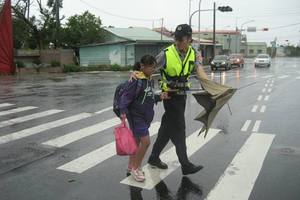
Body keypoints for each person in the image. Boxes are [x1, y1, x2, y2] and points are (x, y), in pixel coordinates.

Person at [145, 24, 208, 175]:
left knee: (167, 128)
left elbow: (199, 71)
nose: (178, 42)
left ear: (189, 39)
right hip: (169, 96)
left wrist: (210, 86)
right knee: (179, 128)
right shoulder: (166, 54)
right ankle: (185, 164)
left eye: (181, 39)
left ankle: (153, 157)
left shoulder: (193, 53)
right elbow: (149, 68)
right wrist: (137, 73)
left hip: (181, 96)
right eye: (176, 38)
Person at [119, 55, 169, 182]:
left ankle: (131, 166)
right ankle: (136, 168)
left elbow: (148, 95)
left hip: (146, 116)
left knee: (136, 142)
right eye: (151, 67)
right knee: (146, 142)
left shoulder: (148, 79)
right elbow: (126, 96)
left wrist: (159, 97)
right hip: (136, 116)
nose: (154, 70)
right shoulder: (136, 79)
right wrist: (123, 111)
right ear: (142, 67)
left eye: (154, 67)